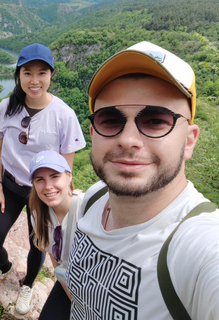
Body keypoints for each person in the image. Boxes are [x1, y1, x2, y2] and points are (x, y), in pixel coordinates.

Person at [66, 41, 219, 319]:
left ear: (189, 140)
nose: (128, 140)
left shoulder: (198, 248)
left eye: (155, 120)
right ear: (92, 133)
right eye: (110, 119)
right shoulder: (94, 199)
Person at [0, 43, 86, 315]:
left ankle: (28, 284)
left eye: (42, 73)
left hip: (42, 191)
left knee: (38, 243)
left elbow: (66, 165)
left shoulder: (64, 115)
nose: (35, 80)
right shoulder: (7, 107)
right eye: (28, 73)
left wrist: (58, 199)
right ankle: (4, 267)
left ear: (52, 74)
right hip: (11, 185)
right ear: (19, 75)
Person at [28, 150, 85, 319]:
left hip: (96, 284)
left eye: (55, 176)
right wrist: (72, 299)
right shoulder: (38, 216)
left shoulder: (86, 209)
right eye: (40, 180)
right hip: (68, 281)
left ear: (69, 177)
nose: (48, 186)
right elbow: (56, 261)